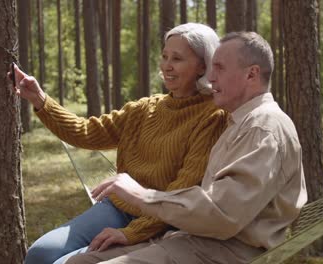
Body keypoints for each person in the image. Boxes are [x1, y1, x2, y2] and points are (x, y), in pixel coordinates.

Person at [65, 31, 308, 264]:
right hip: (194, 240)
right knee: (79, 261)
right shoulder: (239, 121)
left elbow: (222, 214)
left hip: (225, 252)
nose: (211, 78)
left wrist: (142, 195)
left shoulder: (262, 127)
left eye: (220, 68)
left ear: (251, 74)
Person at [11, 23, 227, 264]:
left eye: (177, 58)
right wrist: (40, 99)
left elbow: (182, 192)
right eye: (165, 56)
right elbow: (86, 132)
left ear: (202, 65)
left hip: (162, 221)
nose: (167, 65)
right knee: (39, 254)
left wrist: (131, 233)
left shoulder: (212, 116)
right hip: (117, 208)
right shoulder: (144, 109)